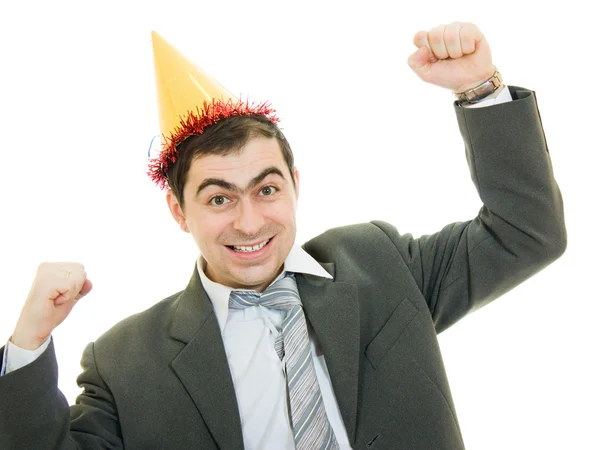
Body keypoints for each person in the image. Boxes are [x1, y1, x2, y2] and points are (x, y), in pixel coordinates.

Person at [0, 22, 566, 449]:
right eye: (219, 198)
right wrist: (27, 345)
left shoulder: (379, 263)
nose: (249, 222)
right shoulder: (124, 362)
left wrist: (478, 90)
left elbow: (526, 232)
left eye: (266, 189)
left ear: (295, 184)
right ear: (178, 210)